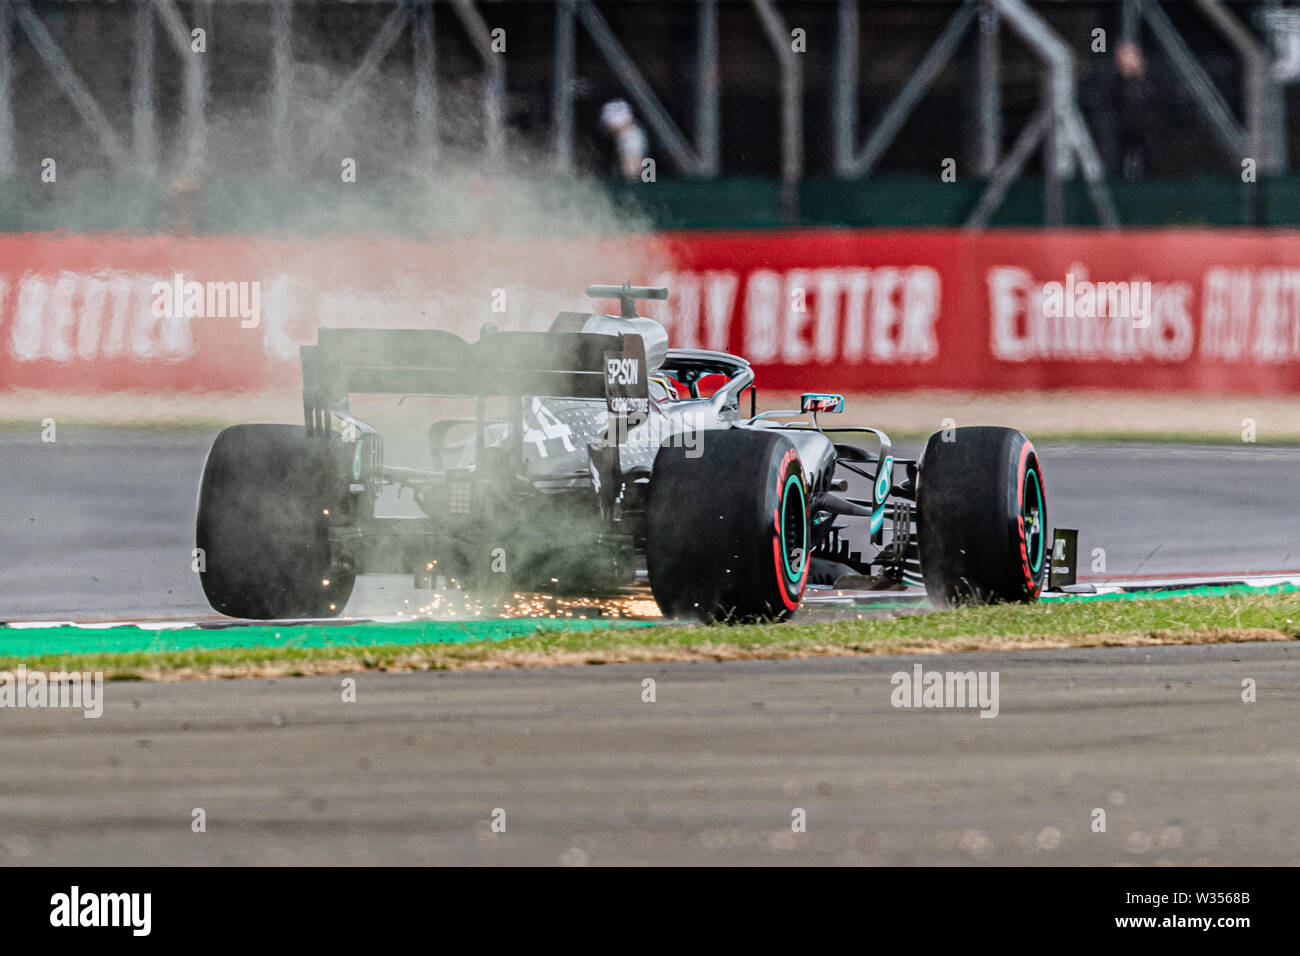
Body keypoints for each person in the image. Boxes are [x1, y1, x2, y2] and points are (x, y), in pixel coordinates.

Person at [599, 99, 648, 181]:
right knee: (627, 167)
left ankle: (634, 181)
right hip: (623, 137)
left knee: (632, 167)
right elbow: (609, 128)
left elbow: (623, 124)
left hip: (630, 136)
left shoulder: (633, 136)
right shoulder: (610, 108)